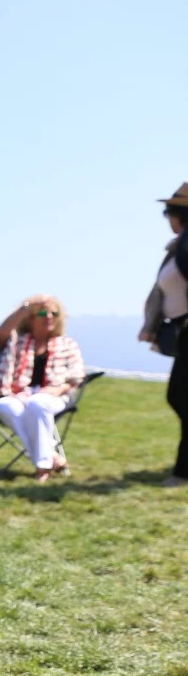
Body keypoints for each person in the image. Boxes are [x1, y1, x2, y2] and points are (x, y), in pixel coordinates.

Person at [0, 295, 85, 482]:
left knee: (38, 403)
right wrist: (26, 306)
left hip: (54, 396)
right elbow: (1, 334)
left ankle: (43, 467)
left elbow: (77, 375)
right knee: (4, 406)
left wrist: (58, 389)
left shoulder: (67, 344)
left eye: (54, 313)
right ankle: (52, 456)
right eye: (42, 313)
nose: (48, 317)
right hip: (17, 394)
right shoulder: (16, 342)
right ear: (30, 318)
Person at [142, 183, 188, 487]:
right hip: (182, 331)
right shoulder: (179, 246)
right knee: (179, 397)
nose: (167, 218)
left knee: (182, 397)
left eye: (169, 212)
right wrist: (153, 324)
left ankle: (183, 472)